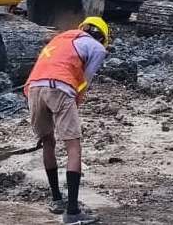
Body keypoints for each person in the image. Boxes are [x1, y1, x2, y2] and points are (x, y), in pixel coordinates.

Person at [24, 17, 109, 225]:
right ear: (100, 35)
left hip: (33, 89)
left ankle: (57, 200)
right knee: (73, 147)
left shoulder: (60, 39)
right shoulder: (93, 44)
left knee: (48, 142)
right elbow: (90, 69)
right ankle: (72, 212)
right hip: (60, 86)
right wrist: (79, 94)